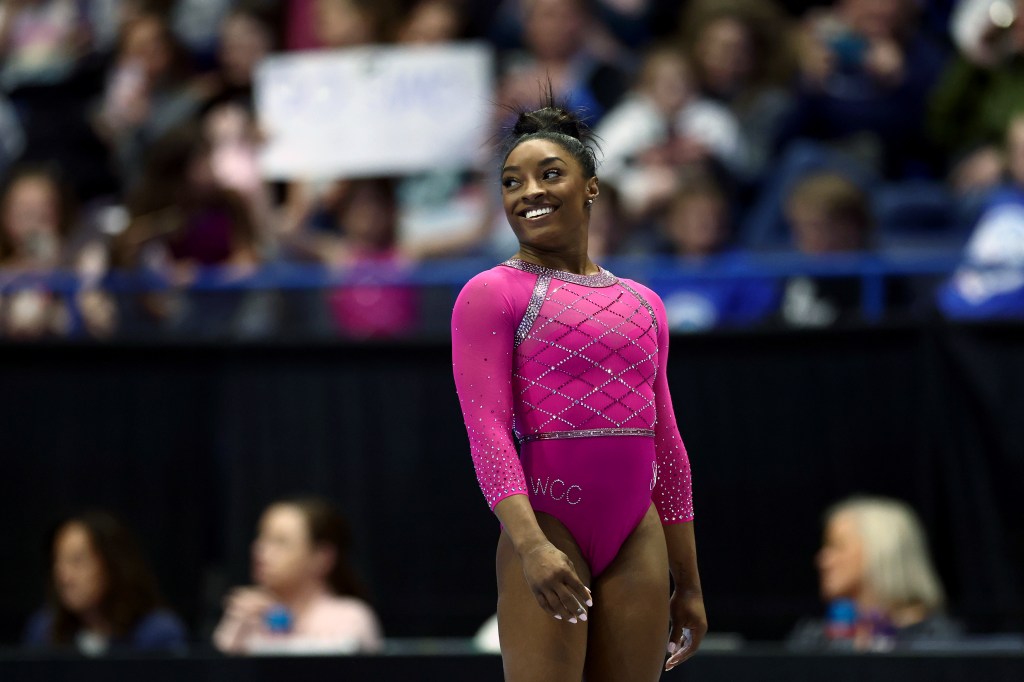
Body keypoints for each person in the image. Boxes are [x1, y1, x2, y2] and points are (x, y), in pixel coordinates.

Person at [451, 94, 707, 680]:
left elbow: (666, 443)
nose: (529, 192)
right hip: (547, 521)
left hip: (636, 532)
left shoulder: (645, 303)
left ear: (591, 187)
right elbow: (487, 431)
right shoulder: (493, 293)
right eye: (512, 182)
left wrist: (688, 581)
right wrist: (530, 545)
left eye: (550, 174)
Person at [788, 496, 961, 651]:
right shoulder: (814, 640)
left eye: (837, 546)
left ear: (881, 551)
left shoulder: (937, 643)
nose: (823, 560)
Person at [213, 497, 382, 654]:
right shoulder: (248, 618)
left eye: (281, 542)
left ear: (322, 557)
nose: (261, 551)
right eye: (262, 538)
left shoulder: (349, 619)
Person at [23, 510, 187, 655]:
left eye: (77, 561)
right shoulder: (45, 630)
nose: (64, 577)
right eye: (58, 562)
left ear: (113, 566)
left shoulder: (156, 634)